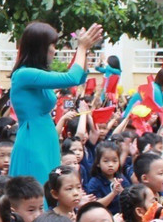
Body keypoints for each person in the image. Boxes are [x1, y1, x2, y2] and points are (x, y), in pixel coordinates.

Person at [8, 24, 103, 187]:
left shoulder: (36, 74)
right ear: (40, 48)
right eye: (52, 45)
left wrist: (85, 50)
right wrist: (81, 48)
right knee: (37, 190)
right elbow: (71, 78)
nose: (55, 50)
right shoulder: (24, 74)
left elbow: (79, 78)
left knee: (50, 189)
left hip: (46, 138)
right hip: (33, 140)